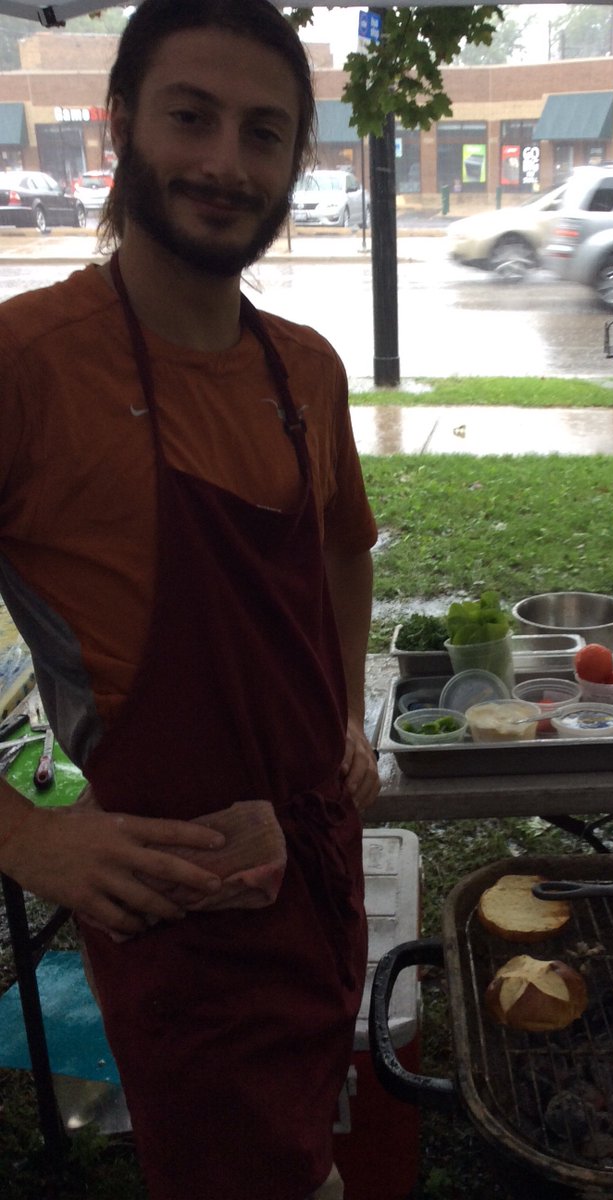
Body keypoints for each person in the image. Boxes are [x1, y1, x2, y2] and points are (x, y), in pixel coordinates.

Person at [0, 1, 380, 1197]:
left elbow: (340, 551)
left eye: (263, 133)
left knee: (315, 1139)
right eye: (191, 117)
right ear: (119, 125)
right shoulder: (29, 368)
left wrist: (342, 717)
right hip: (179, 915)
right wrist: (26, 838)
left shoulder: (303, 368)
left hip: (316, 862)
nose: (225, 162)